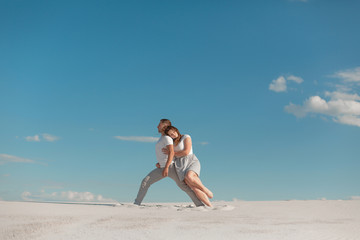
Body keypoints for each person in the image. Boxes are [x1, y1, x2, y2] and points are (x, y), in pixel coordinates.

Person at [134, 119, 204, 207]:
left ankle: (200, 205)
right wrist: (159, 163)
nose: (157, 126)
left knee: (184, 186)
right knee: (145, 181)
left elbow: (171, 152)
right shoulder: (163, 138)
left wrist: (167, 167)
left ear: (164, 126)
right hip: (163, 167)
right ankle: (136, 204)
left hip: (170, 167)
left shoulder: (167, 138)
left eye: (159, 125)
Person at [163, 126, 213, 207]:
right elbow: (168, 156)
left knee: (189, 176)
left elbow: (186, 152)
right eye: (170, 135)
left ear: (176, 130)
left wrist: (172, 153)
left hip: (190, 160)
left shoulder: (186, 137)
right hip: (180, 165)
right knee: (194, 188)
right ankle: (210, 206)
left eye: (173, 132)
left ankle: (205, 190)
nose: (173, 135)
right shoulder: (171, 144)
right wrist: (161, 163)